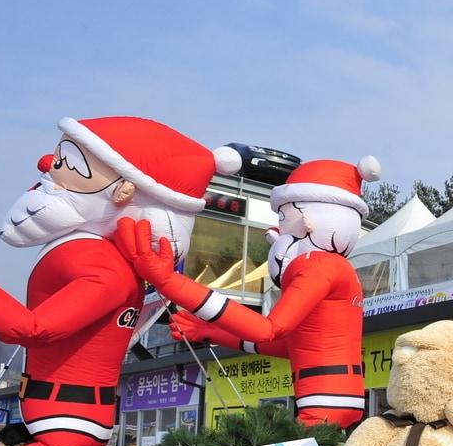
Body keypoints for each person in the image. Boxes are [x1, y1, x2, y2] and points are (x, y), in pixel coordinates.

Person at [0, 116, 236, 446]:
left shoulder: (106, 270)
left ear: (123, 192)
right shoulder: (96, 254)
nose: (47, 167)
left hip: (66, 417)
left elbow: (33, 329)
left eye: (68, 164)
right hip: (59, 410)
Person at [121, 156, 381, 430]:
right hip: (336, 396)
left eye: (283, 217)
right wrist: (209, 332)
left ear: (307, 218)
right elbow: (289, 346)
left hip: (322, 398)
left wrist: (171, 282)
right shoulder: (337, 268)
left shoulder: (318, 265)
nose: (278, 230)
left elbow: (266, 330)